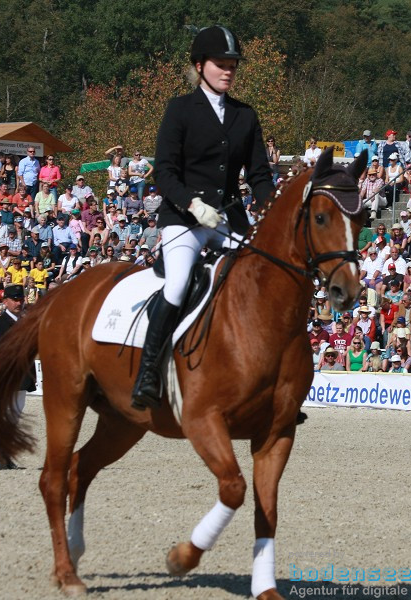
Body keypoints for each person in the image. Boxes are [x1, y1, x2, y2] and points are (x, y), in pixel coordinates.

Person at [131, 26, 274, 410]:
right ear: (200, 66)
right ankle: (148, 372)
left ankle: (270, 382)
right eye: (220, 65)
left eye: (232, 66)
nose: (228, 71)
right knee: (177, 284)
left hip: (229, 221)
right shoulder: (180, 109)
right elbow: (164, 172)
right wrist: (194, 206)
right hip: (185, 220)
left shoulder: (245, 115)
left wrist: (270, 208)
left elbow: (259, 174)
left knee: (267, 280)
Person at [0, 285, 36, 469]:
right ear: (5, 301)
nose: (18, 302)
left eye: (20, 299)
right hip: (7, 378)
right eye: (14, 299)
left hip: (22, 377)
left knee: (14, 418)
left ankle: (5, 455)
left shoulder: (25, 322)